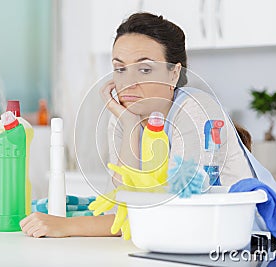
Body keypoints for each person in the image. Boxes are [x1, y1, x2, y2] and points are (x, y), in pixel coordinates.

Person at [20, 12, 253, 238]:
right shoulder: (125, 117)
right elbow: (123, 203)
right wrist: (130, 124)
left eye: (144, 69)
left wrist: (66, 226)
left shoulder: (195, 111)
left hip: (239, 241)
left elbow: (164, 214)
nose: (128, 83)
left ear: (174, 74)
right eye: (120, 69)